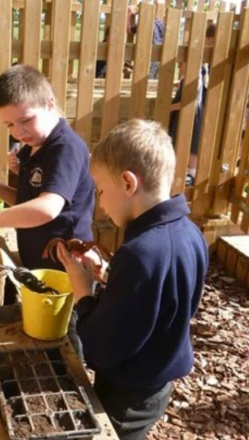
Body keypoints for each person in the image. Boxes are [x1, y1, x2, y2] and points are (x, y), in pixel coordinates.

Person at [56, 119, 209, 440]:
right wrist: (111, 277)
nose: (100, 202)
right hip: (155, 381)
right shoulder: (190, 233)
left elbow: (102, 350)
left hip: (127, 392)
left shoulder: (141, 252)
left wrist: (84, 290)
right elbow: (163, 299)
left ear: (128, 183)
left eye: (100, 189)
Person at [0, 64, 95, 272]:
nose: (18, 132)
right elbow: (28, 201)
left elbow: (47, 208)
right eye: (10, 125)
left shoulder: (65, 149)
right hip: (39, 264)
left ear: (49, 104)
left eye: (26, 120)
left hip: (66, 269)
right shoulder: (34, 147)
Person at [168, 61, 205, 186]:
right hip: (183, 114)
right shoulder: (189, 77)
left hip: (190, 115)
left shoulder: (195, 78)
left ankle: (192, 174)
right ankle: (186, 172)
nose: (179, 66)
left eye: (181, 63)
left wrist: (171, 107)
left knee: (191, 143)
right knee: (181, 140)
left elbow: (188, 101)